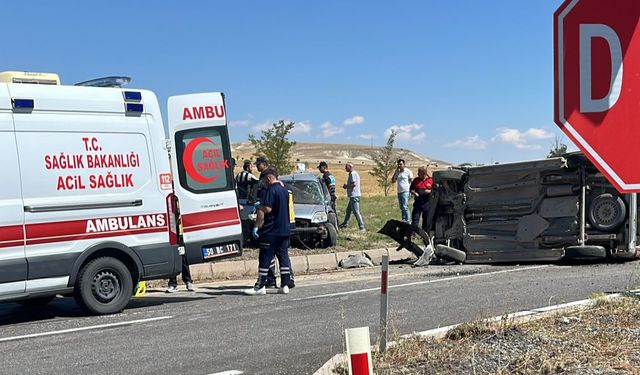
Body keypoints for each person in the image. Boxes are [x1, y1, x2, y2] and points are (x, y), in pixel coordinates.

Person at [244, 167, 293, 295]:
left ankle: (260, 286)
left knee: (265, 258)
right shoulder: (284, 190)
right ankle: (285, 285)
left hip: (271, 230)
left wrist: (258, 206)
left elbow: (268, 209)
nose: (264, 184)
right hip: (284, 229)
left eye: (265, 181)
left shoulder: (271, 189)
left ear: (269, 178)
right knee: (283, 257)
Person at [339, 163, 365, 231]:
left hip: (354, 196)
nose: (345, 169)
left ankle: (362, 227)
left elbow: (354, 184)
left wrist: (346, 186)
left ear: (350, 167)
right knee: (348, 211)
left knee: (356, 211)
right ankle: (345, 224)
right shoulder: (353, 173)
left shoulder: (353, 174)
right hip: (353, 196)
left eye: (346, 167)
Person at [391, 159, 414, 223]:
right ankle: (403, 220)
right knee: (401, 207)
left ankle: (408, 220)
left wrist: (412, 191)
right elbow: (393, 181)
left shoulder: (408, 171)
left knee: (405, 206)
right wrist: (395, 172)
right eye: (398, 164)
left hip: (406, 191)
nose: (399, 165)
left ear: (404, 164)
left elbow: (411, 181)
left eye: (401, 164)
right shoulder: (398, 172)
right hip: (399, 191)